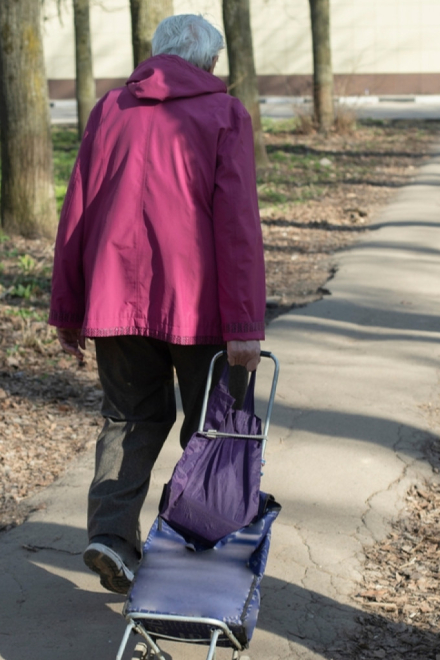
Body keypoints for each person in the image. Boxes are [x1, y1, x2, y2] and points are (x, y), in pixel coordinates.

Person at [48, 13, 266, 595]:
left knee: (129, 419)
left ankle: (112, 538)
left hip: (114, 299)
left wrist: (68, 306)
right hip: (199, 307)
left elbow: (77, 211)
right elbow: (238, 226)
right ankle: (192, 553)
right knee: (213, 430)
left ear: (156, 55)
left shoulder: (110, 110)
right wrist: (245, 324)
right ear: (211, 62)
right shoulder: (225, 114)